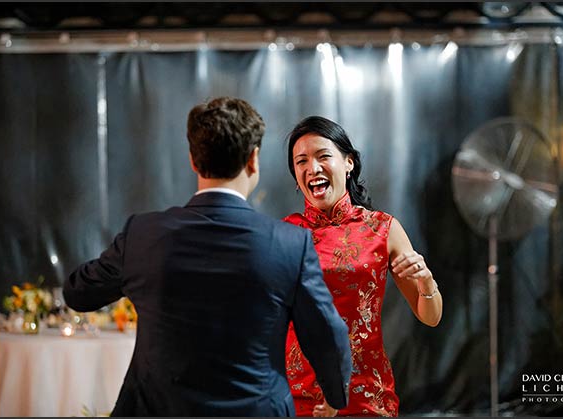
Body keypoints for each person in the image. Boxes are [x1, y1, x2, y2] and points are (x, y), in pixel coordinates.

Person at [63, 98, 352, 417]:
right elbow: (328, 336)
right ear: (253, 159)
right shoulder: (290, 244)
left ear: (193, 160)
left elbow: (78, 293)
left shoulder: (142, 235)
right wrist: (335, 397)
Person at [283, 116, 443, 417]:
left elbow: (431, 317)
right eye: (301, 161)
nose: (312, 168)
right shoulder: (284, 234)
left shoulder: (383, 228)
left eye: (323, 156)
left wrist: (426, 281)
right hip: (300, 396)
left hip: (366, 394)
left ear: (349, 162)